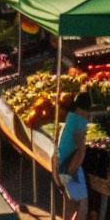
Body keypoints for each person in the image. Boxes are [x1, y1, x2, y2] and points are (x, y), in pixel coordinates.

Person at [57, 91, 91, 220]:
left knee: (69, 202)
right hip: (70, 166)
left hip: (61, 162)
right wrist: (71, 171)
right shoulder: (80, 123)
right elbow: (80, 152)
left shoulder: (70, 117)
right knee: (83, 205)